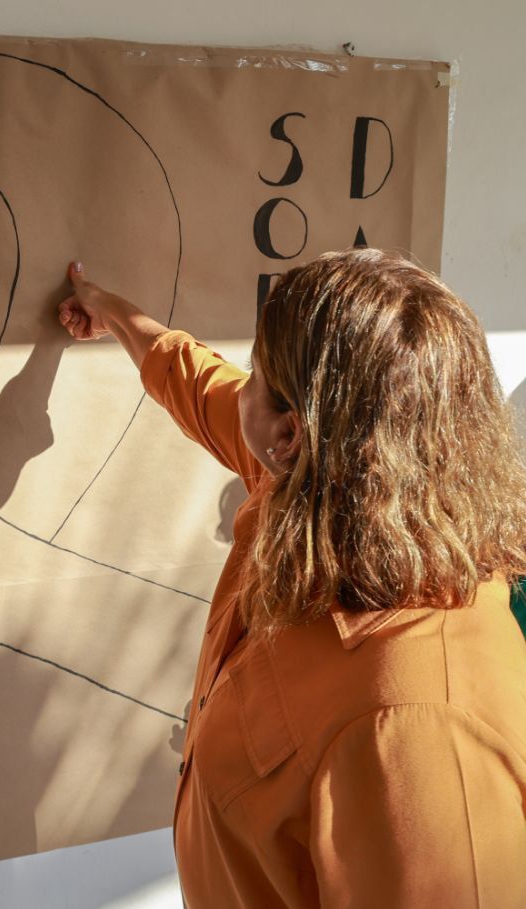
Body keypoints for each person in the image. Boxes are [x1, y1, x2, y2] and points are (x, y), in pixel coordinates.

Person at [58, 249, 526, 907]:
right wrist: (111, 312)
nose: (239, 387)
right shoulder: (325, 490)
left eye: (254, 373)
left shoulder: (418, 724)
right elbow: (195, 382)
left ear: (290, 432)